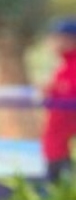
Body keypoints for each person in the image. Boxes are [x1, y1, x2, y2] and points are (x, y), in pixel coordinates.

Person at [42, 17, 76, 183]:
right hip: (56, 148)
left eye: (61, 38)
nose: (56, 43)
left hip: (65, 147)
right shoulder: (63, 67)